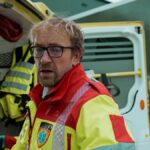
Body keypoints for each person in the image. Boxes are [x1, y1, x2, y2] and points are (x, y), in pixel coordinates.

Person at [3, 16, 135, 150]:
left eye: (55, 50)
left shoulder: (92, 102)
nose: (44, 59)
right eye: (39, 50)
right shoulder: (39, 99)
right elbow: (27, 145)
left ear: (76, 56)